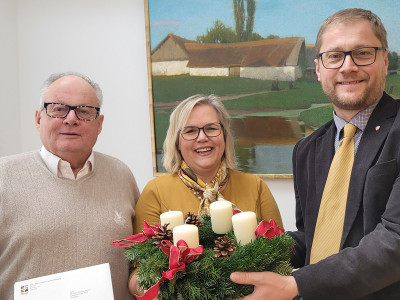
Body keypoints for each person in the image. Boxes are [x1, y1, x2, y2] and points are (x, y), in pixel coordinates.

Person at [231, 8, 400, 299]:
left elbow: (394, 240)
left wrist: (296, 285)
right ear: (319, 68)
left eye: (362, 53)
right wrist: (253, 246)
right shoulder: (306, 150)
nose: (347, 66)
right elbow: (315, 236)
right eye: (334, 56)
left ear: (385, 61)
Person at [0, 72, 140, 300]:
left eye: (84, 111)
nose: (71, 119)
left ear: (99, 124)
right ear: (38, 118)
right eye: (58, 108)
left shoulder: (121, 175)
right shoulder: (3, 177)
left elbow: (139, 261)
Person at [131, 94, 283, 294]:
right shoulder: (155, 192)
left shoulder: (255, 186)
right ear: (177, 142)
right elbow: (137, 277)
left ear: (224, 135)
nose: (202, 137)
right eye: (190, 131)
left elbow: (282, 258)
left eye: (211, 128)